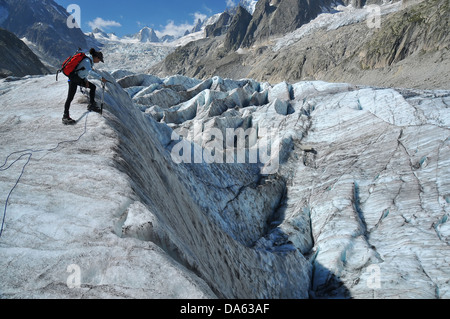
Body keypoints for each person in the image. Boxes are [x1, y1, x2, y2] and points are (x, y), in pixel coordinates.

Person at [62, 48, 108, 125]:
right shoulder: (87, 61)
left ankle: (91, 104)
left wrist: (85, 80)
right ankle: (65, 116)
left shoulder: (89, 61)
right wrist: (100, 78)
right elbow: (89, 71)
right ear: (96, 57)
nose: (98, 62)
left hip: (79, 79)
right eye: (99, 60)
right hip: (74, 79)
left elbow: (83, 71)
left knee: (92, 87)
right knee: (70, 97)